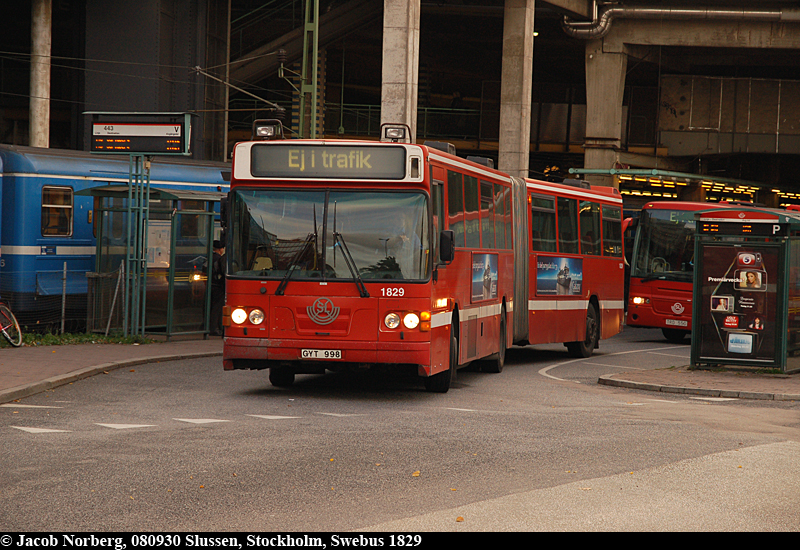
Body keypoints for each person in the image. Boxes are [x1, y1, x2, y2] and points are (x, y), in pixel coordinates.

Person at [210, 240, 226, 336]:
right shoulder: (220, 259)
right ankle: (214, 328)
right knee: (217, 308)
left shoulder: (209, 257)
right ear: (221, 249)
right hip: (218, 286)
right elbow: (222, 272)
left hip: (210, 285)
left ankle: (207, 326)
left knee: (210, 307)